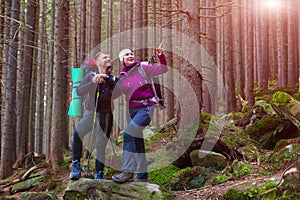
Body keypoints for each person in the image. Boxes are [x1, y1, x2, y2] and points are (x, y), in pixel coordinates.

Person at [112, 48, 167, 183]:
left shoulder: (142, 67)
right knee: (137, 142)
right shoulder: (123, 76)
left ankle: (128, 171)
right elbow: (116, 93)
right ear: (122, 60)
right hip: (131, 110)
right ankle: (142, 176)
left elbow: (162, 69)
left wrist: (161, 56)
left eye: (131, 54)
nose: (130, 56)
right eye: (126, 55)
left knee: (128, 134)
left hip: (145, 108)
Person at [69, 52, 116, 180]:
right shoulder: (90, 76)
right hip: (91, 113)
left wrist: (107, 80)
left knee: (101, 144)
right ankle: (75, 166)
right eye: (105, 57)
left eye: (108, 57)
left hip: (106, 115)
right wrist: (93, 82)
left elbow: (118, 93)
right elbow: (79, 91)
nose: (108, 58)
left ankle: (99, 172)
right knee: (77, 134)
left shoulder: (113, 78)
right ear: (97, 62)